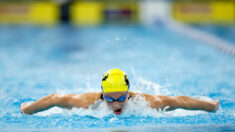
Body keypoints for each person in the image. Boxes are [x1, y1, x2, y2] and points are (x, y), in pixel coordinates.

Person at [21, 69, 219, 115]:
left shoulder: (146, 102)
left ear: (129, 93)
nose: (116, 104)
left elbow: (178, 101)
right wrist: (27, 109)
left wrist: (209, 106)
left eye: (121, 98)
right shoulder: (87, 103)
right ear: (102, 94)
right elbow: (55, 98)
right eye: (110, 99)